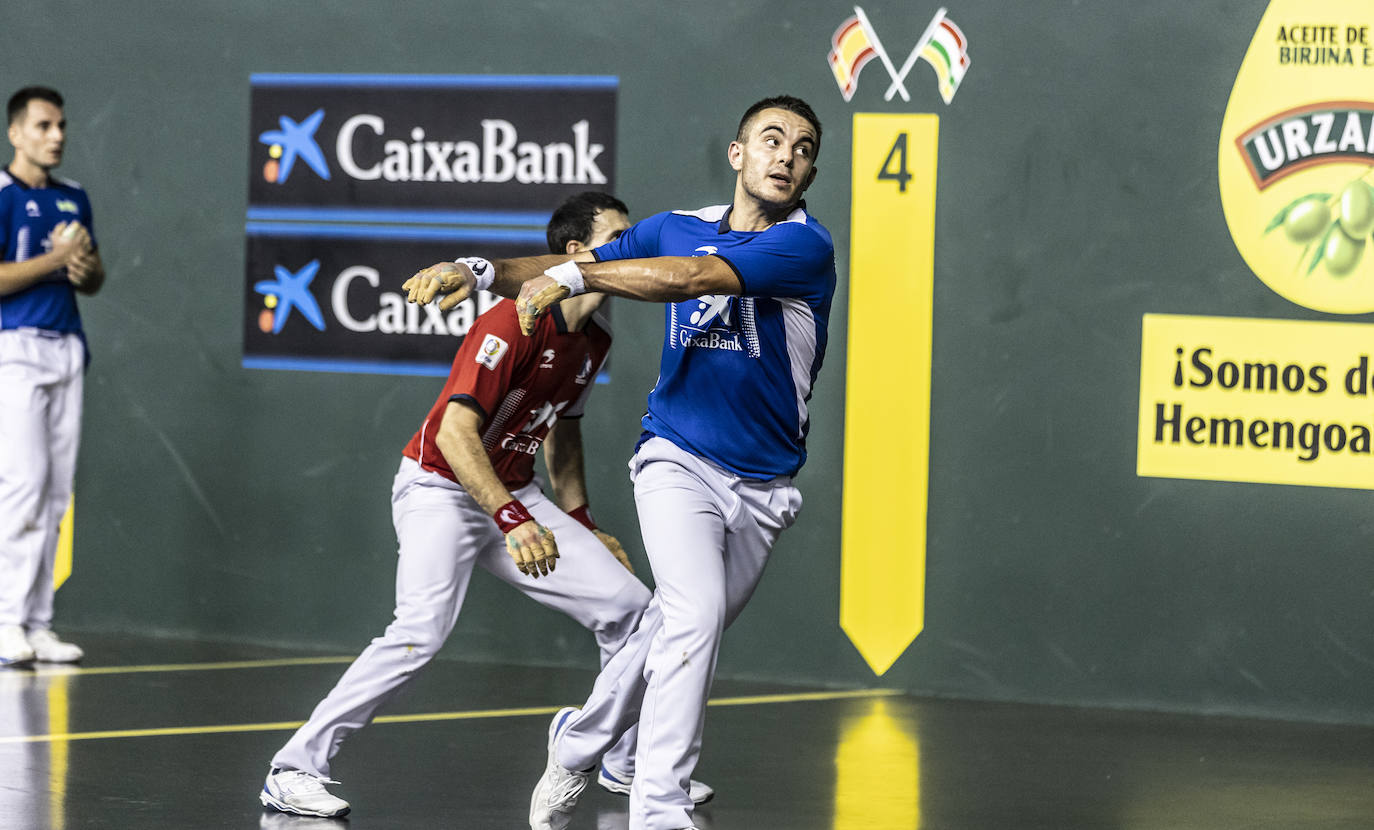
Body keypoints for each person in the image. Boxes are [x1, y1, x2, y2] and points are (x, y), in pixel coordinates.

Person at [406, 95, 835, 830]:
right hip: (676, 459)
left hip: (765, 486)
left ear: (810, 172)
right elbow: (576, 262)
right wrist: (481, 269)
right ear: (738, 155)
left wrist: (577, 280)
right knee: (694, 619)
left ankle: (577, 742)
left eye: (801, 149)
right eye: (770, 140)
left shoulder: (804, 248)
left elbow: (689, 278)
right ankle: (658, 808)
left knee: (672, 625)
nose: (784, 156)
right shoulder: (676, 224)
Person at [260, 192, 712, 818]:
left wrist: (581, 523)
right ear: (576, 254)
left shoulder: (594, 339)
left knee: (635, 613)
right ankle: (294, 767)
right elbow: (452, 434)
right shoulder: (511, 321)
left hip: (515, 494)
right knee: (419, 631)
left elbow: (563, 428)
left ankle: (621, 761)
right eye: (620, 235)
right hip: (439, 488)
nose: (633, 245)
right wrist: (511, 518)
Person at [0, 86, 103, 668]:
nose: (56, 135)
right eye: (43, 126)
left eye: (61, 125)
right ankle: (4, 620)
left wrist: (84, 267)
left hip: (67, 348)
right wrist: (56, 261)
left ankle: (37, 624)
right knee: (22, 486)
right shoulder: (1, 194)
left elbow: (90, 279)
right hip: (12, 349)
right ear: (17, 133)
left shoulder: (74, 198)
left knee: (56, 493)